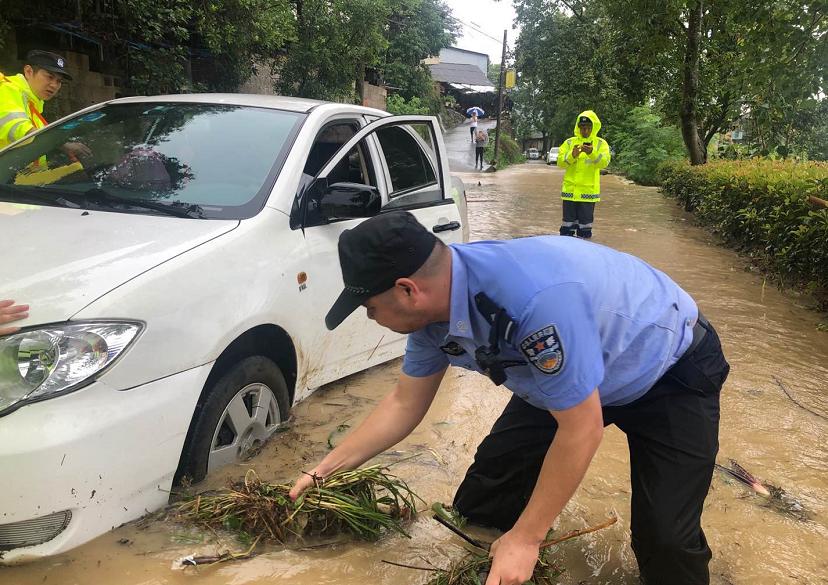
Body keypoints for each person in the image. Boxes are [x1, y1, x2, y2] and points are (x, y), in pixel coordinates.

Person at [290, 211, 729, 585]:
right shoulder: (430, 317)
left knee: (666, 539)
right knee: (483, 499)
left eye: (370, 309)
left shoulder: (530, 303)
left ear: (407, 289)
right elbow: (406, 404)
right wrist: (325, 469)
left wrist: (527, 538)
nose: (372, 319)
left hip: (668, 371)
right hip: (567, 377)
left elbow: (582, 429)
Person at [0, 50, 89, 158]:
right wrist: (63, 145)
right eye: (49, 77)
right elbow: (21, 131)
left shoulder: (33, 106)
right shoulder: (6, 89)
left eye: (59, 81)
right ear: (28, 72)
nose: (54, 85)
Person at [556, 111, 611, 238]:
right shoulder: (569, 143)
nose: (585, 130)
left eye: (588, 128)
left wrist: (592, 152)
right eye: (582, 127)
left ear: (593, 128)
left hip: (588, 194)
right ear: (578, 127)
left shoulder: (600, 144)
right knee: (566, 230)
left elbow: (604, 163)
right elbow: (560, 163)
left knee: (585, 232)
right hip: (570, 193)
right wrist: (572, 155)